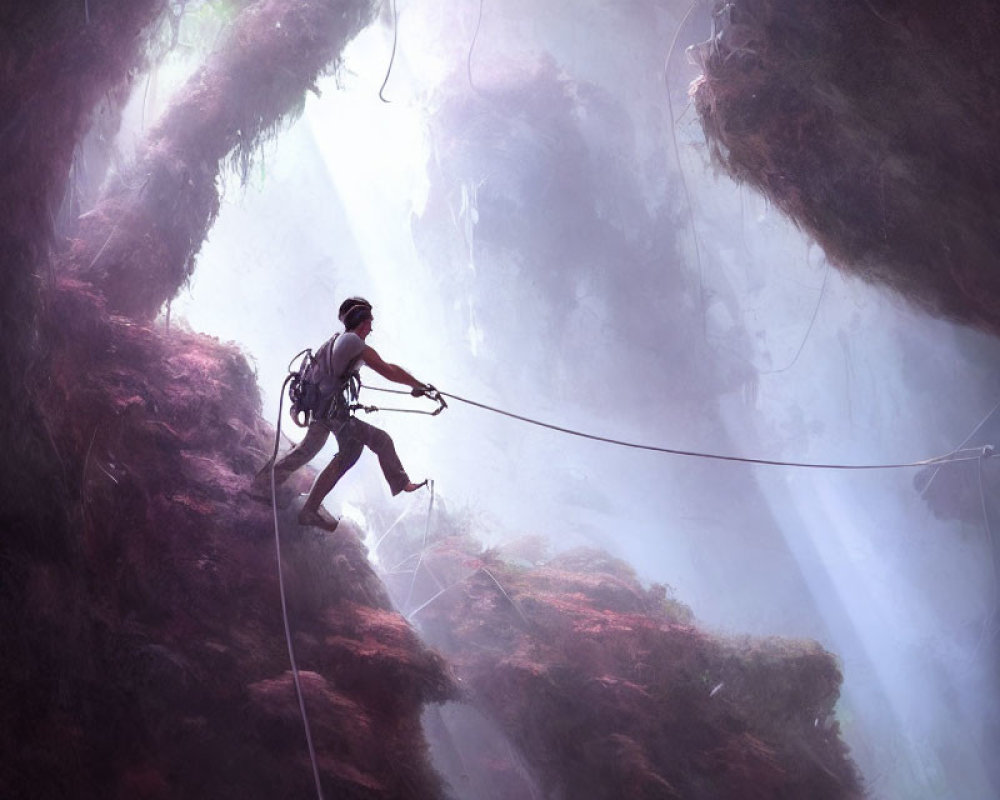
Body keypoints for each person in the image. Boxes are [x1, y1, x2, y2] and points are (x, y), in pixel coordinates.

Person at [253, 297, 431, 532]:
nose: (371, 327)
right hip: (332, 412)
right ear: (362, 321)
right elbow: (388, 370)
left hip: (322, 408)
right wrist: (419, 386)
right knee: (380, 440)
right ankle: (402, 483)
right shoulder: (354, 343)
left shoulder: (338, 341)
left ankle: (274, 491)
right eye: (370, 322)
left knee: (323, 451)